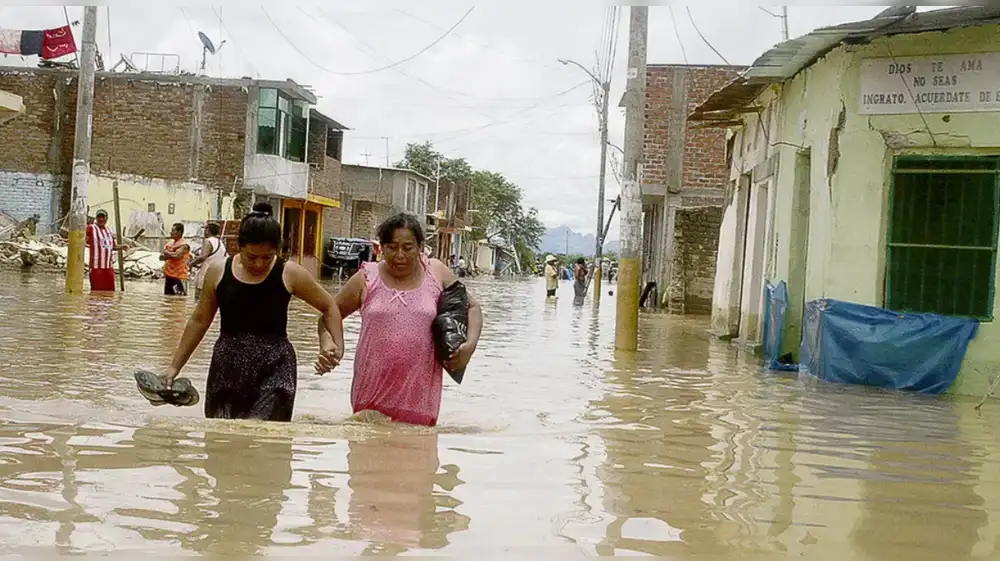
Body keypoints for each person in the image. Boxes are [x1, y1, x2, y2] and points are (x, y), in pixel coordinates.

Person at [164, 202, 345, 422]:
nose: (259, 264)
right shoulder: (218, 271)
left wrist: (336, 345)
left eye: (267, 257)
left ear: (277, 250)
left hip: (275, 366)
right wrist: (175, 367)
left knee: (266, 439)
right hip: (227, 365)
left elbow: (329, 306)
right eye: (252, 257)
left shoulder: (290, 273)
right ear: (239, 247)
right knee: (221, 439)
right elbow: (200, 320)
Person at [315, 213, 483, 427]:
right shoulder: (367, 278)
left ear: (420, 247)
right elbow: (328, 315)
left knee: (419, 454)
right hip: (371, 392)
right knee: (365, 454)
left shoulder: (436, 273)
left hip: (420, 397)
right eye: (392, 247)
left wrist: (469, 346)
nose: (399, 255)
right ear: (381, 248)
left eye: (408, 247)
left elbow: (472, 307)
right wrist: (330, 344)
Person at [86, 209, 127, 292]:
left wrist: (122, 247)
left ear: (107, 218)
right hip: (96, 269)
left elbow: (113, 246)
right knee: (96, 294)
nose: (101, 219)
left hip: (108, 269)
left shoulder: (108, 230)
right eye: (99, 217)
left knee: (110, 293)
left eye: (103, 217)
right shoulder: (91, 228)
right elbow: (80, 233)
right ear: (96, 218)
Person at [191, 222, 228, 301]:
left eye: (205, 229)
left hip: (205, 277)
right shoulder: (221, 243)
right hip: (217, 277)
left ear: (207, 230)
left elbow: (203, 257)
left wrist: (191, 263)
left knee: (199, 303)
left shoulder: (208, 241)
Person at [161, 223, 192, 296]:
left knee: (179, 300)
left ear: (179, 232)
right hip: (169, 276)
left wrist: (167, 253)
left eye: (173, 231)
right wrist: (168, 254)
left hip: (179, 277)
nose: (170, 232)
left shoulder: (184, 245)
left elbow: (177, 255)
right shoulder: (170, 244)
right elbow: (161, 257)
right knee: (168, 299)